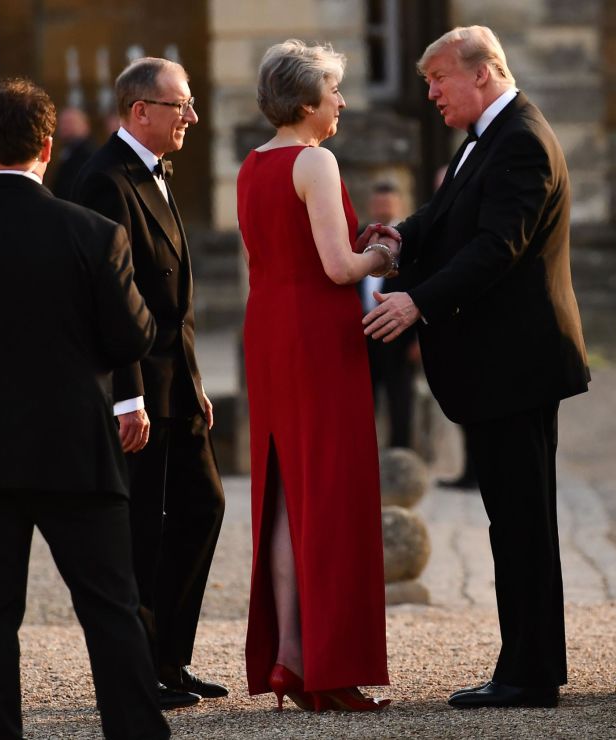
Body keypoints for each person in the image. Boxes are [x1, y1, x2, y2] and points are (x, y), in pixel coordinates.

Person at [0, 77, 167, 740]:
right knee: (110, 610)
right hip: (73, 444)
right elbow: (133, 337)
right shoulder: (94, 233)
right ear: (47, 145)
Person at [362, 25, 590, 709]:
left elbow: (498, 247)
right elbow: (450, 213)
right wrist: (404, 237)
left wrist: (415, 304)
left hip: (516, 365)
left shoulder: (519, 139)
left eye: (438, 79)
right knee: (511, 521)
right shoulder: (491, 135)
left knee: (522, 523)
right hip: (503, 365)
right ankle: (526, 664)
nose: (428, 92)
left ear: (482, 73)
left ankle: (530, 673)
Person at [237, 39, 397, 713]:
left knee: (282, 493)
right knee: (327, 492)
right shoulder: (315, 161)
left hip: (268, 331)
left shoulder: (251, 165)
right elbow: (336, 267)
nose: (342, 102)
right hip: (317, 338)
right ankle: (327, 665)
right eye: (334, 91)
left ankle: (289, 656)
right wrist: (385, 252)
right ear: (306, 101)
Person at [73, 57, 227, 709]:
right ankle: (138, 674)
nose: (192, 116)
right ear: (141, 112)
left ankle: (170, 657)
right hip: (141, 396)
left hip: (177, 387)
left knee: (202, 509)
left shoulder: (157, 171)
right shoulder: (106, 181)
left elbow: (175, 303)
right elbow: (113, 299)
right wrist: (127, 395)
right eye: (180, 105)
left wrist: (195, 383)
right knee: (141, 532)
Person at [359, 180, 417, 448]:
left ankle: (400, 455)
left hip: (398, 334)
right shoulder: (358, 237)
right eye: (378, 202)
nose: (382, 207)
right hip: (363, 333)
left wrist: (418, 340)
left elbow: (419, 288)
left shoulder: (411, 240)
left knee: (400, 401)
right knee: (362, 402)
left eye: (388, 202)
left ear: (399, 205)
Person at [50, 106, 96, 201]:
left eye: (70, 122)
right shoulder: (68, 151)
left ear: (85, 126)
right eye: (62, 123)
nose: (64, 127)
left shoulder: (89, 155)